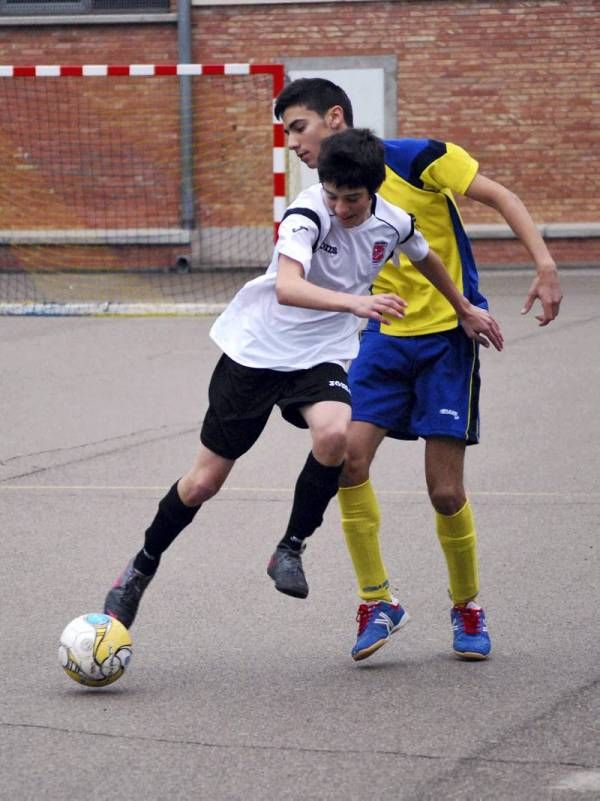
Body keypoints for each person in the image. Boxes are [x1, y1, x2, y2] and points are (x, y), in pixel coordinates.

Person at [103, 128, 502, 629]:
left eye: (351, 199)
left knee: (336, 434)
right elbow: (288, 288)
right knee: (203, 482)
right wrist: (357, 302)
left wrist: (463, 307)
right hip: (257, 353)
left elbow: (425, 255)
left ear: (374, 189)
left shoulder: (392, 220)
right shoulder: (307, 214)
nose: (339, 207)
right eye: (332, 195)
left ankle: (290, 548)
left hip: (319, 356)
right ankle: (139, 569)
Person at [273, 78, 562, 662]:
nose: (293, 145)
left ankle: (466, 605)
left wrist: (545, 264)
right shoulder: (326, 197)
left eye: (298, 128)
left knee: (445, 491)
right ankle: (378, 600)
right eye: (285, 135)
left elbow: (501, 195)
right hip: (381, 339)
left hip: (445, 342)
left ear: (334, 117)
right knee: (347, 462)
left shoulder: (419, 158)